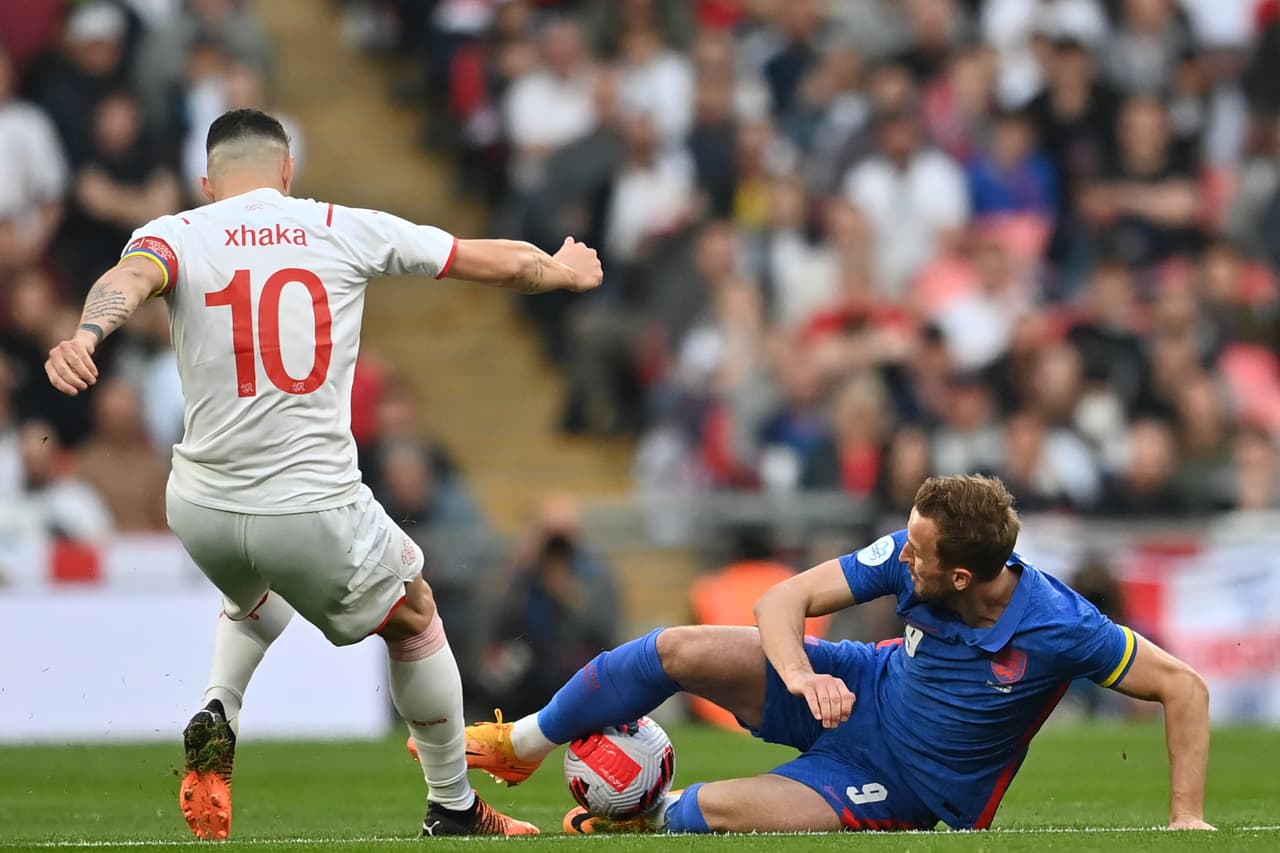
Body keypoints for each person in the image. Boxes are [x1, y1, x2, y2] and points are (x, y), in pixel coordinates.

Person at [43, 108, 602, 840]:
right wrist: (558, 269)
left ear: (208, 182)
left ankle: (219, 707)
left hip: (200, 504)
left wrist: (84, 335)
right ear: (286, 171)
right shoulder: (340, 223)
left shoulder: (174, 233)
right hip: (309, 502)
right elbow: (482, 258)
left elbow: (128, 279)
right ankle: (456, 807)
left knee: (260, 592)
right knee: (415, 615)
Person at [463, 475, 1214, 834]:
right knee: (677, 648)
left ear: (960, 574)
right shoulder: (912, 551)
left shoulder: (1059, 623)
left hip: (910, 789)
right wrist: (802, 675)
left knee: (711, 811)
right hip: (857, 683)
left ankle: (646, 816)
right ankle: (523, 742)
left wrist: (1187, 819)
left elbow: (1184, 687)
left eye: (917, 550)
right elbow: (780, 602)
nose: (900, 554)